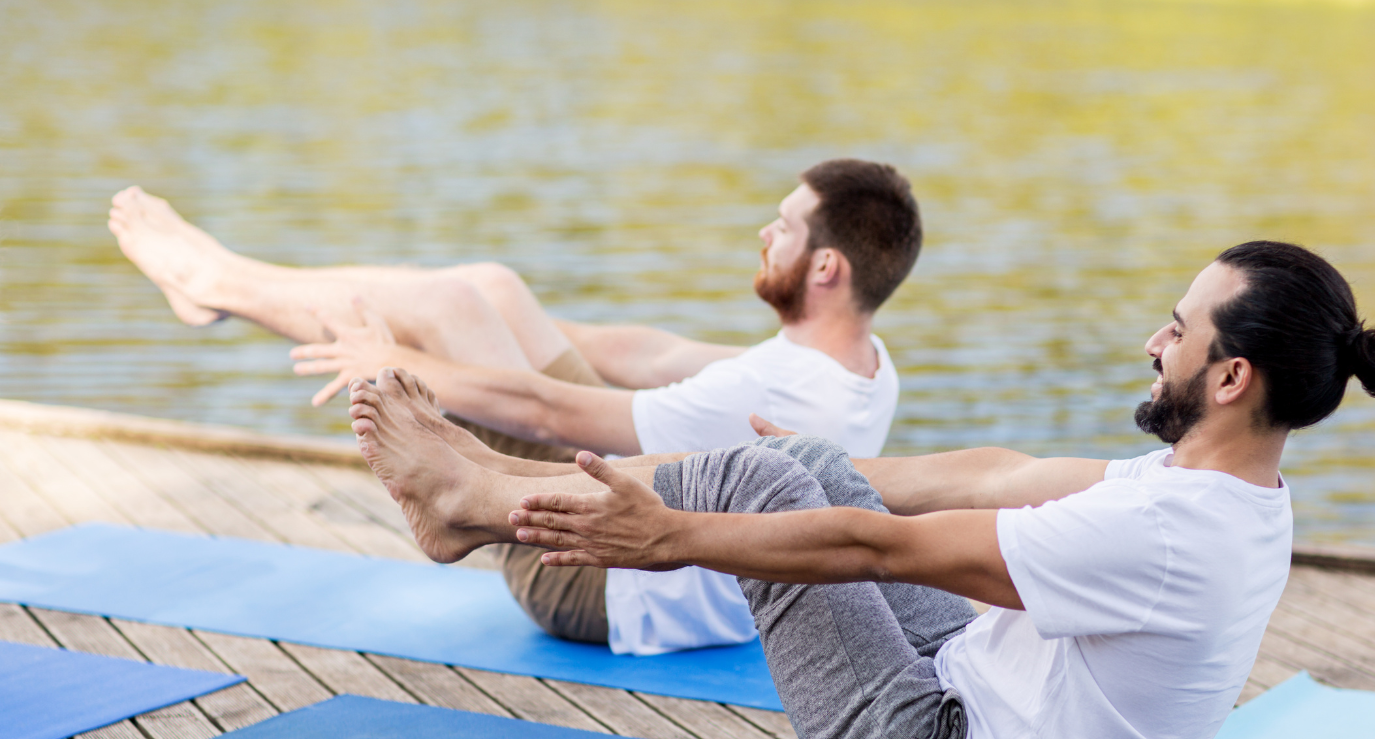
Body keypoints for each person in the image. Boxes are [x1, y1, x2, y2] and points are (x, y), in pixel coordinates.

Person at [342, 240, 1375, 739]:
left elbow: (873, 547)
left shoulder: (1169, 537)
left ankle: (475, 500)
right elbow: (997, 472)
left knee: (774, 486)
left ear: (1228, 374)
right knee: (795, 465)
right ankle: (476, 494)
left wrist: (674, 536)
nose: (1149, 342)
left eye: (1173, 333)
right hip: (975, 710)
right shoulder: (1228, 492)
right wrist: (805, 462)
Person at [107, 159, 920, 655]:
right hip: (659, 572)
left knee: (459, 304)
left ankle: (216, 281)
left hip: (594, 580)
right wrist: (482, 326)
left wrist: (398, 358)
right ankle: (218, 284)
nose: (763, 234)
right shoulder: (860, 366)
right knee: (487, 291)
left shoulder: (763, 391)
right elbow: (649, 354)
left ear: (825, 270)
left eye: (782, 228)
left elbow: (550, 417)